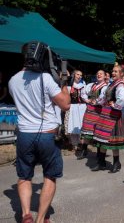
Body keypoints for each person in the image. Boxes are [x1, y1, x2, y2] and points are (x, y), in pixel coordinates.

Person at [8, 42, 71, 223]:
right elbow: (65, 105)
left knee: (24, 176)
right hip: (47, 134)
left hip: (24, 134)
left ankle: (26, 214)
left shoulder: (13, 79)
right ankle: (40, 219)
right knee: (49, 176)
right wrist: (64, 83)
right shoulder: (45, 78)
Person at [92, 63, 124, 172]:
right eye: (112, 71)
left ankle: (116, 162)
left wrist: (115, 105)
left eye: (116, 71)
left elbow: (122, 99)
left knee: (113, 140)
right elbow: (104, 97)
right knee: (103, 138)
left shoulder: (120, 85)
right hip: (106, 113)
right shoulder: (112, 84)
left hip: (114, 115)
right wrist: (97, 101)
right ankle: (101, 162)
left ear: (121, 74)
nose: (113, 73)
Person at [78, 70, 108, 160]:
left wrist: (97, 101)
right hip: (90, 109)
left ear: (105, 76)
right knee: (87, 129)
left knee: (98, 131)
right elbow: (83, 92)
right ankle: (84, 150)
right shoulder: (91, 85)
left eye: (101, 74)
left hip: (100, 111)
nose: (98, 75)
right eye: (97, 73)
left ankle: (99, 152)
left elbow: (104, 98)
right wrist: (87, 100)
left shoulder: (106, 87)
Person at [64, 70, 87, 152]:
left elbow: (84, 97)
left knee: (79, 125)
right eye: (78, 74)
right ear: (74, 75)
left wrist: (87, 101)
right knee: (71, 124)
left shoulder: (83, 85)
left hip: (81, 108)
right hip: (72, 107)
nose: (79, 76)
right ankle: (73, 144)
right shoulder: (69, 85)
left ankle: (80, 144)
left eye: (81, 75)